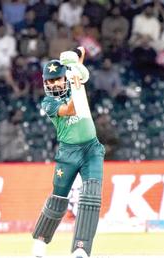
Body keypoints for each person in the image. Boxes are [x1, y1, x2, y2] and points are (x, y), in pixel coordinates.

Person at [32, 47, 105, 258]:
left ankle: (81, 248)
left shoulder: (74, 81)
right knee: (58, 198)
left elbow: (83, 74)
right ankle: (40, 242)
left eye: (57, 79)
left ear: (64, 78)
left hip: (91, 149)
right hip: (68, 152)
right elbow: (70, 110)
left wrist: (76, 69)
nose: (54, 84)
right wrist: (75, 82)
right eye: (50, 81)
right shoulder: (48, 103)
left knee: (91, 196)